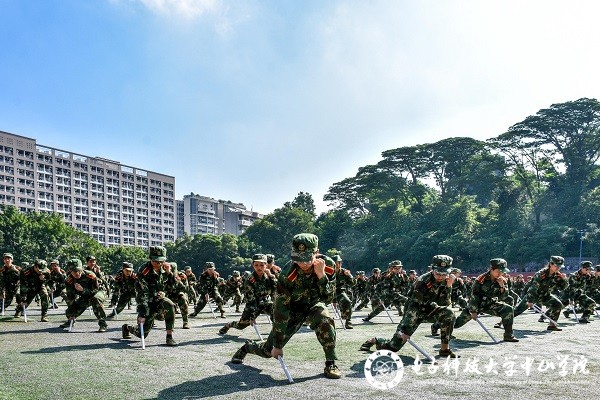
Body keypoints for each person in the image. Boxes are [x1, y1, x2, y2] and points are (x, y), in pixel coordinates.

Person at [229, 233, 341, 379]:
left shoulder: (328, 266)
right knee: (268, 351)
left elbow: (328, 298)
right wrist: (277, 345)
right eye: (298, 258)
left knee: (325, 319)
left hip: (314, 305)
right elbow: (280, 311)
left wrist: (321, 276)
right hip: (292, 310)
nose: (302, 263)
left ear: (317, 252)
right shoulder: (288, 274)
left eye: (306, 258)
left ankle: (330, 363)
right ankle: (247, 347)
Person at [360, 255, 459, 358]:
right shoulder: (422, 281)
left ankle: (444, 349)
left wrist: (449, 287)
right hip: (414, 312)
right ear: (433, 269)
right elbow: (415, 306)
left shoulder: (447, 281)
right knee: (393, 348)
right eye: (438, 273)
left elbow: (445, 304)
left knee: (449, 313)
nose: (440, 277)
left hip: (431, 310)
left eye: (444, 274)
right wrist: (406, 329)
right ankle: (375, 340)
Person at [121, 246, 177, 346]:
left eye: (160, 261)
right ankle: (127, 327)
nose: (157, 263)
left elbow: (174, 287)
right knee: (142, 334)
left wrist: (169, 273)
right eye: (154, 261)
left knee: (170, 305)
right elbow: (142, 294)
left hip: (160, 299)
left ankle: (169, 337)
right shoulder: (144, 271)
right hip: (148, 302)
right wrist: (142, 313)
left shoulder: (167, 268)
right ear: (150, 258)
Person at [453, 258, 519, 342]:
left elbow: (504, 297)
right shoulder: (481, 279)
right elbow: (474, 296)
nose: (500, 274)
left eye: (502, 272)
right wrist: (473, 311)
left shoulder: (502, 280)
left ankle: (508, 335)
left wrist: (502, 286)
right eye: (498, 271)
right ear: (491, 269)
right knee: (456, 324)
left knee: (508, 309)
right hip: (477, 305)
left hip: (491, 304)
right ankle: (437, 326)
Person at [219, 254, 277, 335]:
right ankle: (229, 325)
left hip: (265, 303)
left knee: (276, 312)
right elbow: (251, 300)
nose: (259, 267)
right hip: (253, 305)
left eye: (262, 265)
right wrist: (252, 316)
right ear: (253, 265)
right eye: (256, 265)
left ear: (266, 265)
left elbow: (276, 289)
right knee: (241, 326)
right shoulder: (250, 280)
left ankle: (276, 332)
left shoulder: (269, 277)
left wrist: (271, 276)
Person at [513, 256, 569, 331]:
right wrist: (529, 300)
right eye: (556, 266)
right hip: (534, 295)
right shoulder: (541, 274)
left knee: (558, 304)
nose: (558, 268)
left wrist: (564, 280)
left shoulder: (557, 275)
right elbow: (533, 288)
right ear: (551, 264)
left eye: (560, 266)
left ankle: (552, 325)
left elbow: (562, 288)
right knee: (517, 310)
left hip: (545, 295)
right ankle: (502, 322)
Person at [58, 259, 108, 332]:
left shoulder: (90, 275)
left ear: (81, 269)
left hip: (99, 292)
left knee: (95, 299)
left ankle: (103, 324)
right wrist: (72, 313)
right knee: (69, 312)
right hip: (85, 295)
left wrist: (83, 290)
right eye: (74, 271)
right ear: (70, 271)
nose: (77, 273)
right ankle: (71, 321)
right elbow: (71, 297)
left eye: (78, 270)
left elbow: (96, 290)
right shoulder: (69, 280)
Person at [332, 255, 356, 329]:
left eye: (339, 263)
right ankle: (309, 319)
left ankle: (348, 321)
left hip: (339, 291)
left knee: (348, 301)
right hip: (327, 292)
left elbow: (353, 283)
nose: (338, 265)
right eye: (336, 263)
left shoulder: (344, 272)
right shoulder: (327, 271)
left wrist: (350, 275)